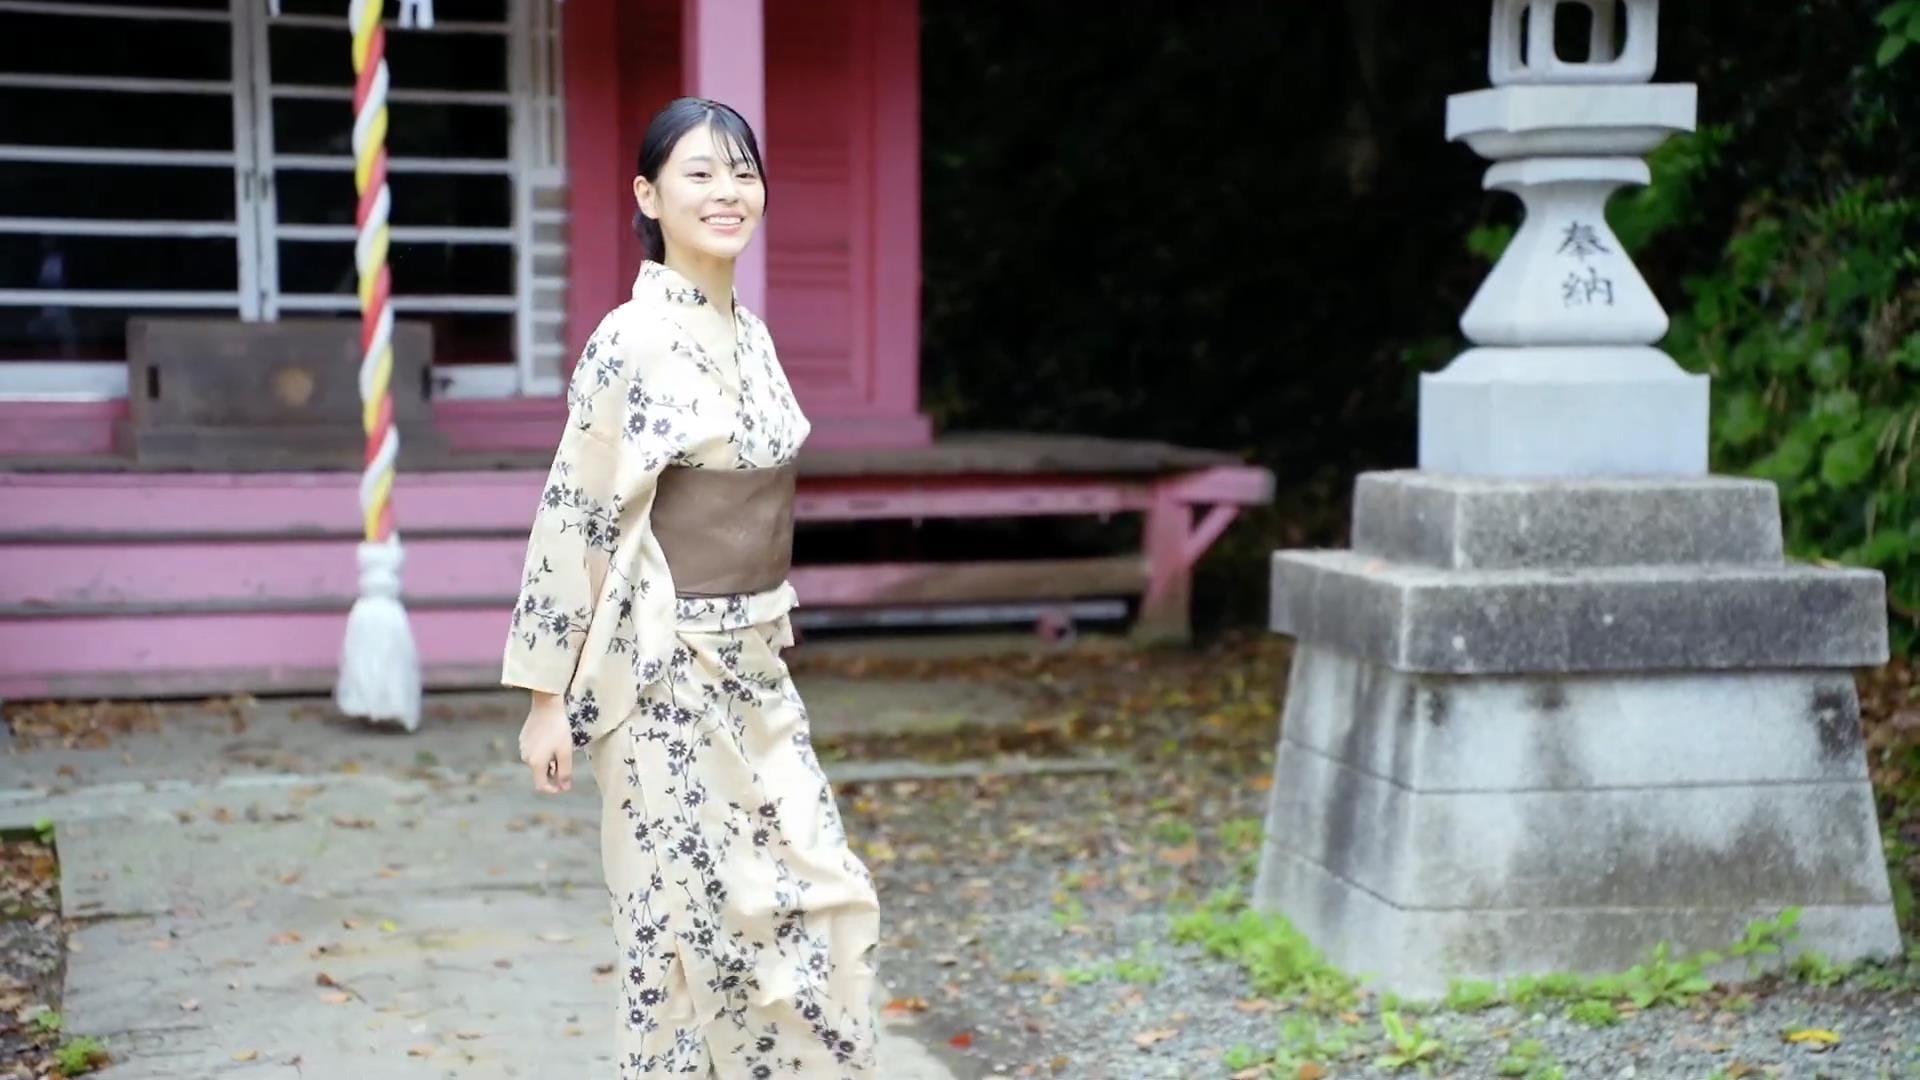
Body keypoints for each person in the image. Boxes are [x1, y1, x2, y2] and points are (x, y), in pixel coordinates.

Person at [503, 97, 880, 1078]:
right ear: (648, 196)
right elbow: (574, 514)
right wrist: (547, 699)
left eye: (742, 171)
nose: (728, 191)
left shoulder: (752, 336)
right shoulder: (628, 339)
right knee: (678, 936)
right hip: (659, 674)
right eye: (700, 172)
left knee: (818, 898)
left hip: (754, 668)